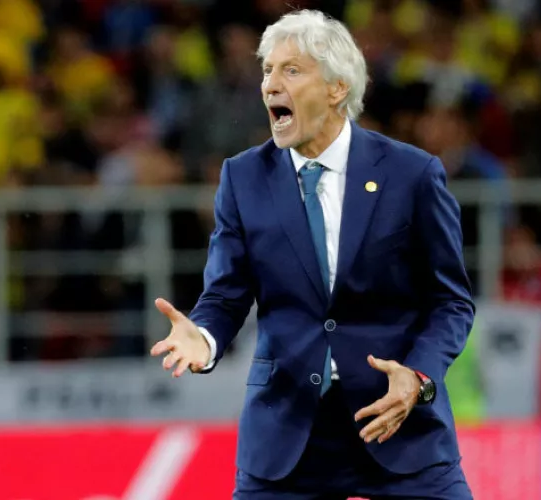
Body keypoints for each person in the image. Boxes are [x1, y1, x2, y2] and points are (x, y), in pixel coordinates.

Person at [150, 9, 475, 500]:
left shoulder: (412, 174)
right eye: (266, 70)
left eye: (291, 70)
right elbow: (226, 296)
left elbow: (451, 302)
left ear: (336, 89)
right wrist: (206, 339)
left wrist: (420, 376)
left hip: (397, 423)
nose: (270, 85)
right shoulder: (243, 178)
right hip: (287, 435)